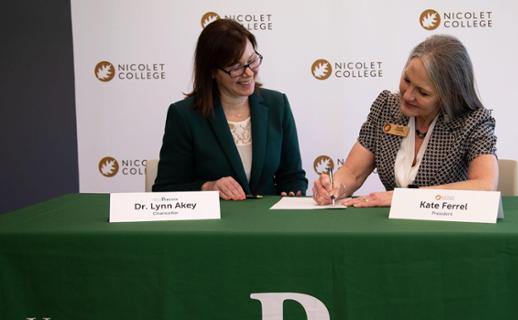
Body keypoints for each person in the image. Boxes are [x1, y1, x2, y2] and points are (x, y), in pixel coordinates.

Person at [313, 35, 497, 207]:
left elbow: (485, 186)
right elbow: (352, 172)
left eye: (423, 92)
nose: (407, 95)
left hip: (446, 230)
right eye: (406, 80)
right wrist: (334, 187)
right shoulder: (386, 107)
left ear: (448, 96)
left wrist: (402, 199)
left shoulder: (473, 121)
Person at [153, 19, 307, 199]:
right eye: (236, 67)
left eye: (252, 61)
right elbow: (165, 189)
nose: (248, 73)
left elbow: (293, 177)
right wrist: (208, 187)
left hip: (269, 221)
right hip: (214, 224)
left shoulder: (277, 104)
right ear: (211, 71)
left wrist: (293, 194)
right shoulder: (184, 115)